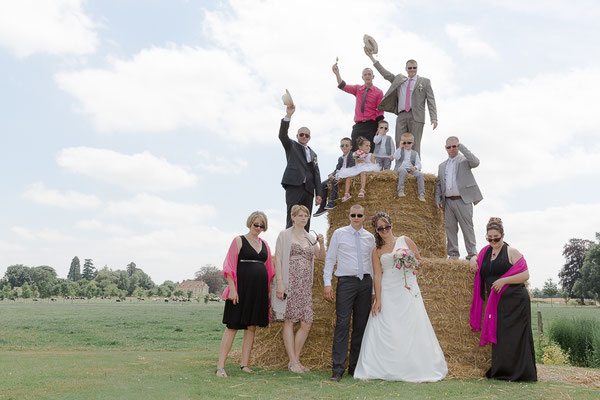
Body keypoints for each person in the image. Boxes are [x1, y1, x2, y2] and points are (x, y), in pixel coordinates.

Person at [354, 211, 447, 381]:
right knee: (385, 324)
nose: (384, 230)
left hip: (407, 288)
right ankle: (380, 368)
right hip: (388, 289)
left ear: (391, 225)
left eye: (386, 227)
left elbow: (419, 262)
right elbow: (378, 275)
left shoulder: (405, 240)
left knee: (411, 324)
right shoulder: (377, 250)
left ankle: (413, 366)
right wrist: (378, 299)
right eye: (380, 228)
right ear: (376, 230)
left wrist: (408, 261)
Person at [469, 218, 537, 381]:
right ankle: (502, 372)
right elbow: (475, 258)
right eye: (489, 238)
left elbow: (525, 275)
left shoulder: (511, 252)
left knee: (516, 338)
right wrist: (472, 259)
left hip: (516, 302)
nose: (493, 241)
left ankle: (521, 373)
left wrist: (504, 280)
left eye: (496, 238)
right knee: (500, 338)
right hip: (497, 304)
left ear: (503, 235)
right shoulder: (485, 252)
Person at [216, 211, 275, 378]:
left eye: (261, 225)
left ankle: (245, 364)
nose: (258, 228)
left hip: (258, 291)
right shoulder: (238, 240)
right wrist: (233, 289)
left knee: (251, 327)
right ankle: (220, 366)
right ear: (250, 223)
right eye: (256, 224)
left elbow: (270, 270)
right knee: (232, 326)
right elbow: (229, 266)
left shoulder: (265, 245)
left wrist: (269, 292)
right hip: (241, 289)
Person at [323, 204, 375, 381]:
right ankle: (338, 369)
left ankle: (355, 367)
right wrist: (327, 283)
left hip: (365, 283)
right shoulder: (339, 233)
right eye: (353, 215)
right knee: (342, 324)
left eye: (359, 215)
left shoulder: (369, 237)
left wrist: (374, 289)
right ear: (349, 216)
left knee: (361, 326)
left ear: (364, 217)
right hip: (346, 282)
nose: (356, 218)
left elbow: (373, 264)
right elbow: (330, 259)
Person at [271, 205, 326, 373]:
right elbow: (278, 258)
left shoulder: (310, 238)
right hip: (290, 283)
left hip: (305, 285)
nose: (303, 218)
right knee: (289, 320)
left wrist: (322, 244)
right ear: (293, 217)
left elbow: (321, 257)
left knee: (306, 322)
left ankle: (295, 360)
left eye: (306, 216)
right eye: (300, 215)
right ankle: (293, 362)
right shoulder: (285, 235)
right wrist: (280, 282)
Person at [365, 48, 437, 156]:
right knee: (400, 141)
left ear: (417, 68)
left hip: (417, 116)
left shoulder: (425, 82)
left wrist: (434, 117)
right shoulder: (399, 79)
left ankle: (415, 169)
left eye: (414, 68)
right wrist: (371, 57)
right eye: (410, 68)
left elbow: (431, 100)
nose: (412, 70)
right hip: (402, 115)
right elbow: (385, 74)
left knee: (415, 143)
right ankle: (399, 167)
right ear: (406, 69)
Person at [435, 136, 483, 260]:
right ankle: (453, 255)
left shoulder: (464, 160)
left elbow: (476, 162)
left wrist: (463, 148)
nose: (451, 149)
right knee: (450, 229)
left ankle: (472, 254)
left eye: (454, 146)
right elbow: (439, 184)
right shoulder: (442, 166)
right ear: (445, 148)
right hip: (448, 202)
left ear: (458, 146)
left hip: (463, 200)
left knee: (467, 228)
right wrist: (437, 199)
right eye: (449, 147)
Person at [279, 104, 323, 231]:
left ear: (309, 138)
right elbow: (282, 135)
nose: (304, 137)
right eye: (301, 134)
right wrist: (288, 115)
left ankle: (304, 244)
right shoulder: (291, 145)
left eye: (307, 135)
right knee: (293, 215)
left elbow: (317, 174)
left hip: (309, 189)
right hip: (294, 185)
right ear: (297, 135)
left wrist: (319, 193)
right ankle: (289, 243)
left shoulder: (313, 153)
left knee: (305, 217)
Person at [332, 63, 384, 151]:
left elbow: (380, 111)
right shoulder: (357, 89)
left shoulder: (378, 92)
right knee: (355, 151)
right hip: (359, 125)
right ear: (362, 77)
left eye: (369, 74)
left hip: (371, 125)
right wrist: (337, 73)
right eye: (365, 74)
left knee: (370, 151)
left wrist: (380, 127)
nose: (367, 76)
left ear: (373, 76)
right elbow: (343, 86)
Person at [313, 137, 355, 217]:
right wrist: (332, 174)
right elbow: (337, 169)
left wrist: (336, 176)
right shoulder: (340, 158)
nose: (344, 147)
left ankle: (332, 202)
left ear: (351, 147)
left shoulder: (352, 156)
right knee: (323, 184)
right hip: (339, 174)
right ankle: (322, 207)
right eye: (342, 145)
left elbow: (351, 168)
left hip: (348, 175)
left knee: (334, 180)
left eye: (346, 145)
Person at [336, 137, 380, 201]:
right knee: (349, 176)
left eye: (369, 146)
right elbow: (356, 164)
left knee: (363, 172)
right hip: (358, 168)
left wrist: (365, 162)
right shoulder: (357, 154)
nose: (369, 147)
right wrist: (359, 160)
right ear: (360, 147)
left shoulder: (371, 155)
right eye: (366, 146)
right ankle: (346, 194)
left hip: (367, 168)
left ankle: (362, 190)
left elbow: (373, 165)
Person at [392, 132, 425, 202]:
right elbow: (395, 157)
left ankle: (421, 193)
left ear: (412, 143)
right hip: (401, 168)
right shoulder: (400, 150)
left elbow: (419, 164)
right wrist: (400, 147)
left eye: (409, 143)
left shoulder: (415, 153)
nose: (406, 144)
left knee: (420, 174)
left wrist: (415, 168)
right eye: (404, 143)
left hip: (411, 169)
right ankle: (400, 189)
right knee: (403, 171)